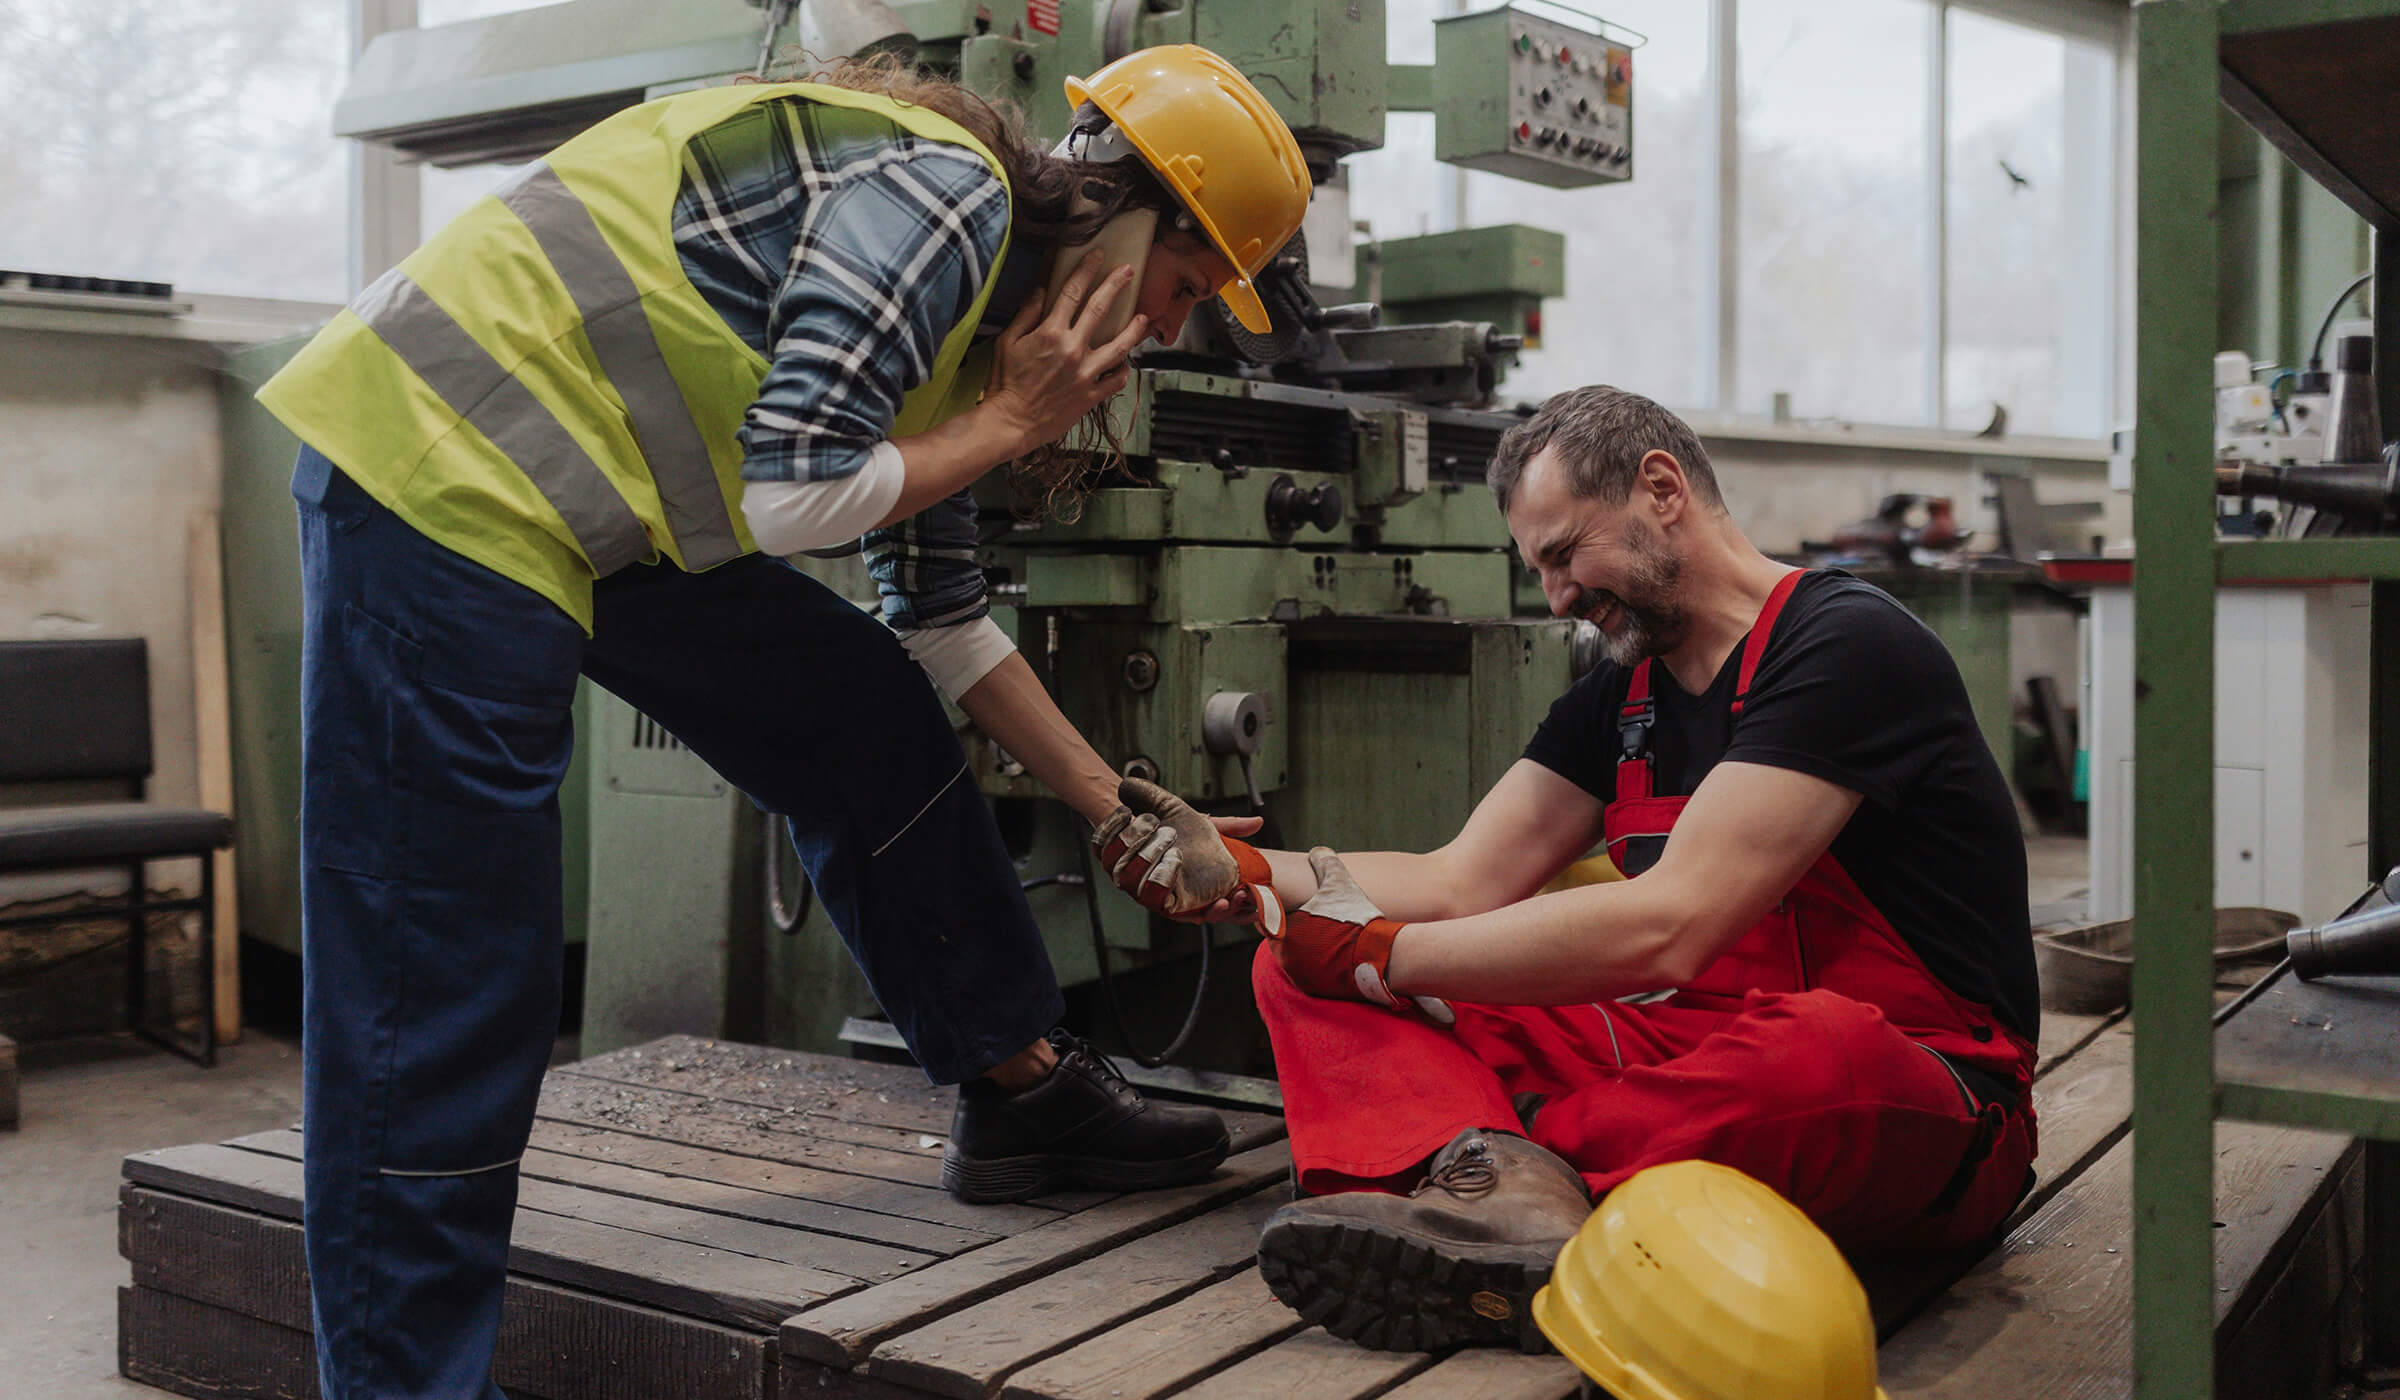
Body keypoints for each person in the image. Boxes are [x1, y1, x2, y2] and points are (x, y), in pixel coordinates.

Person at [256, 45, 1305, 1399]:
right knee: (445, 969)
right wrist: (1012, 421)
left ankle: (1021, 1089)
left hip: (588, 514)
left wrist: (1118, 806)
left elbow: (939, 623)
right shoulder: (949, 200)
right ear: (1121, 206)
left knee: (856, 709)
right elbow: (797, 494)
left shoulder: (970, 319)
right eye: (1185, 287)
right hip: (433, 471)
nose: (1169, 330)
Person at [1194, 385, 2040, 1351]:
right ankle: (1518, 1203)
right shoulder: (1619, 699)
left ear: (1662, 488)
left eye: (1564, 554)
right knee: (1292, 965)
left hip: (1924, 1096)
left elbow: (1670, 929)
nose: (1557, 598)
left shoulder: (1845, 645)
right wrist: (1246, 868)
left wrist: (1381, 951)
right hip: (1678, 1066)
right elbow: (1464, 879)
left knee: (1819, 1054)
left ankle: (1485, 1176)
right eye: (1540, 568)